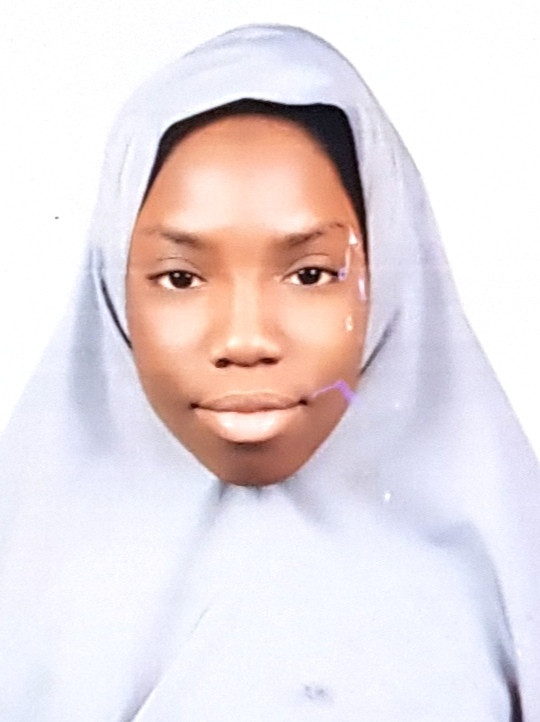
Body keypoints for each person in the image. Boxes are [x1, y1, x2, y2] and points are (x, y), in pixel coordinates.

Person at [0, 23, 538, 721]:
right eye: (181, 277)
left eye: (311, 274)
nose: (246, 339)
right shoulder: (26, 587)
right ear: (112, 290)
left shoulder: (503, 585)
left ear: (390, 281)